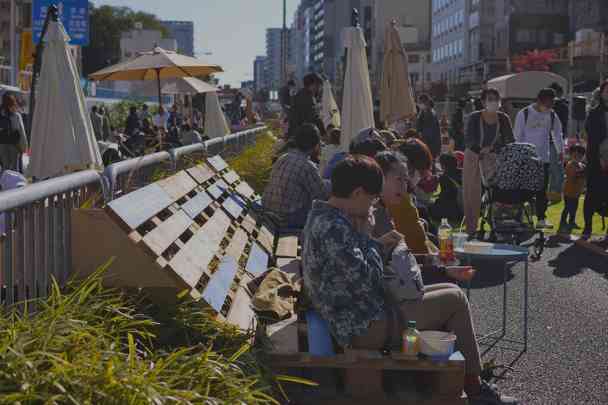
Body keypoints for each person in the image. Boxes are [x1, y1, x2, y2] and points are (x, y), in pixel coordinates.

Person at [301, 155, 519, 405]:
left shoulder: (323, 217)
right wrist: (369, 239)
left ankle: (462, 381)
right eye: (372, 199)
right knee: (455, 299)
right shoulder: (334, 228)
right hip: (361, 327)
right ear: (358, 193)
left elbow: (355, 274)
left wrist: (375, 245)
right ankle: (474, 389)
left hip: (356, 316)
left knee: (447, 290)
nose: (373, 205)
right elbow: (367, 281)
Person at [464, 88, 515, 235]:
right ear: (483, 102)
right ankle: (471, 228)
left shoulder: (503, 118)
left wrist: (492, 148)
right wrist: (479, 150)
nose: (493, 102)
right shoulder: (474, 117)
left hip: (493, 157)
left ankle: (498, 222)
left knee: (497, 190)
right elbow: (468, 139)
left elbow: (510, 141)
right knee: (472, 193)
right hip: (473, 156)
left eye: (495, 99)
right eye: (489, 99)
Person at [514, 88, 564, 229]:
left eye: (552, 103)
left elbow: (558, 134)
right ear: (540, 100)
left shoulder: (552, 115)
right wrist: (519, 158)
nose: (550, 106)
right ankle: (520, 218)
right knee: (524, 190)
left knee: (542, 190)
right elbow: (517, 136)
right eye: (548, 103)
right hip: (526, 158)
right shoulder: (524, 113)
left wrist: (561, 151)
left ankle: (541, 218)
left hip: (543, 158)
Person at [263, 123, 329, 228]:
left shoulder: (283, 158)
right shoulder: (307, 166)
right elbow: (322, 195)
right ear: (316, 145)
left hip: (268, 213)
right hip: (287, 219)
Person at [582, 80, 608, 239]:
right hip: (596, 161)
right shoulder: (593, 113)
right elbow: (591, 137)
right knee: (592, 194)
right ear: (601, 93)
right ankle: (588, 227)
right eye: (607, 90)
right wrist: (600, 156)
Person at [288, 73, 325, 139]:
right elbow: (313, 118)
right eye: (318, 85)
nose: (319, 88)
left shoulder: (301, 94)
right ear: (313, 85)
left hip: (296, 133)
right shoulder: (308, 97)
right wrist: (323, 133)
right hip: (302, 135)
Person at [559, 144, 586, 233]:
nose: (577, 157)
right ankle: (563, 222)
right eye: (575, 156)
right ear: (571, 155)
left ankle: (572, 222)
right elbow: (572, 176)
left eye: (580, 156)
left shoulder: (582, 165)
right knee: (567, 208)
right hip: (568, 192)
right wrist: (581, 173)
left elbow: (584, 177)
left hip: (577, 192)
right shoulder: (570, 165)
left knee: (574, 208)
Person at [431, 154, 463, 223]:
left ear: (443, 166)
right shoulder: (462, 173)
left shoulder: (443, 178)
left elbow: (443, 196)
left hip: (452, 209)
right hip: (465, 207)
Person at [0, 93, 28, 172]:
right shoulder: (16, 115)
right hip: (14, 145)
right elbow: (21, 132)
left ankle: (4, 183)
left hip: (2, 144)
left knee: (5, 167)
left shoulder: (1, 114)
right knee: (14, 168)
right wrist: (24, 147)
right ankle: (13, 183)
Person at [416, 94, 441, 159]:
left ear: (426, 102)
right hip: (427, 143)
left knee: (430, 161)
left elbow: (430, 131)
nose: (419, 104)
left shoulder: (430, 113)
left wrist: (421, 136)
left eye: (420, 102)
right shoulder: (423, 112)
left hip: (430, 144)